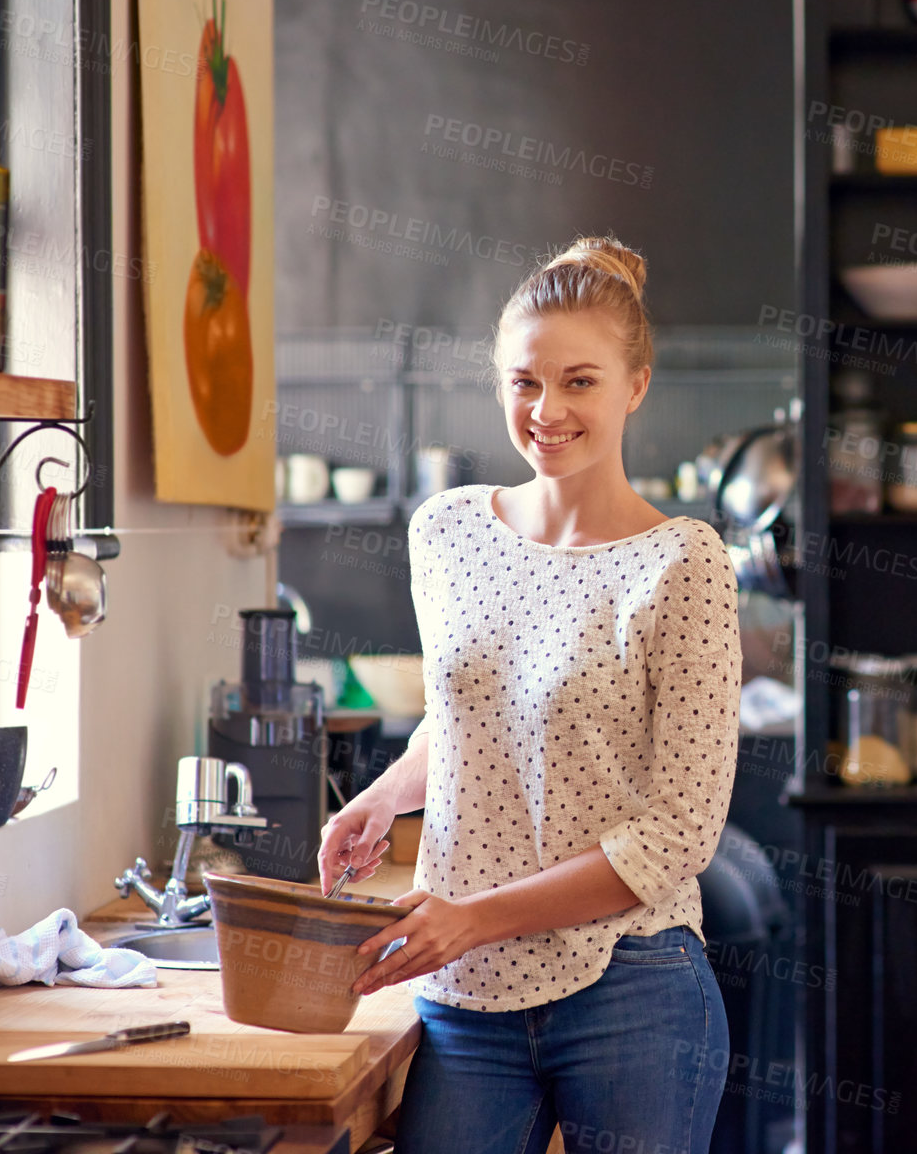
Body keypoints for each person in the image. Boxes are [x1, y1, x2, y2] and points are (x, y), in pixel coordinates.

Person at [317, 235, 742, 1154]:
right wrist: (386, 795)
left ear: (636, 385)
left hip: (630, 983)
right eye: (524, 382)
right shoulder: (448, 531)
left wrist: (471, 918)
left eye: (580, 381)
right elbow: (470, 712)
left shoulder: (684, 563)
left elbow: (680, 831)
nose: (546, 410)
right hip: (464, 998)